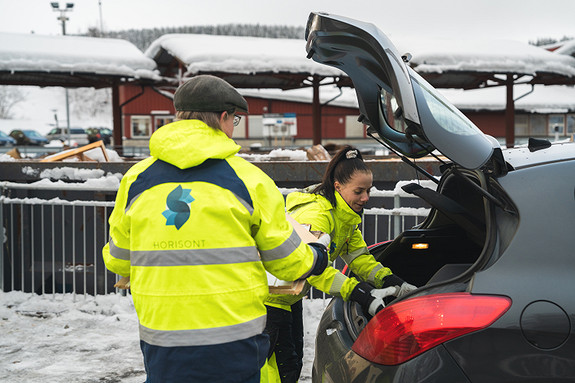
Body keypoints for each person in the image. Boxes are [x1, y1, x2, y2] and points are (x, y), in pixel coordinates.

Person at [102, 75, 329, 383]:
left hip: (163, 342)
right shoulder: (249, 180)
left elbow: (117, 260)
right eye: (235, 119)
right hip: (234, 343)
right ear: (224, 117)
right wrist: (316, 256)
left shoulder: (135, 180)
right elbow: (286, 263)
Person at [264, 145, 417, 383]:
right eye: (359, 191)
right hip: (267, 301)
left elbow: (360, 259)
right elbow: (310, 268)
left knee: (291, 365)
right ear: (338, 187)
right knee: (275, 371)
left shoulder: (344, 218)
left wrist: (392, 281)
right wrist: (359, 292)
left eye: (369, 191)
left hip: (286, 298)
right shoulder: (317, 216)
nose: (365, 198)